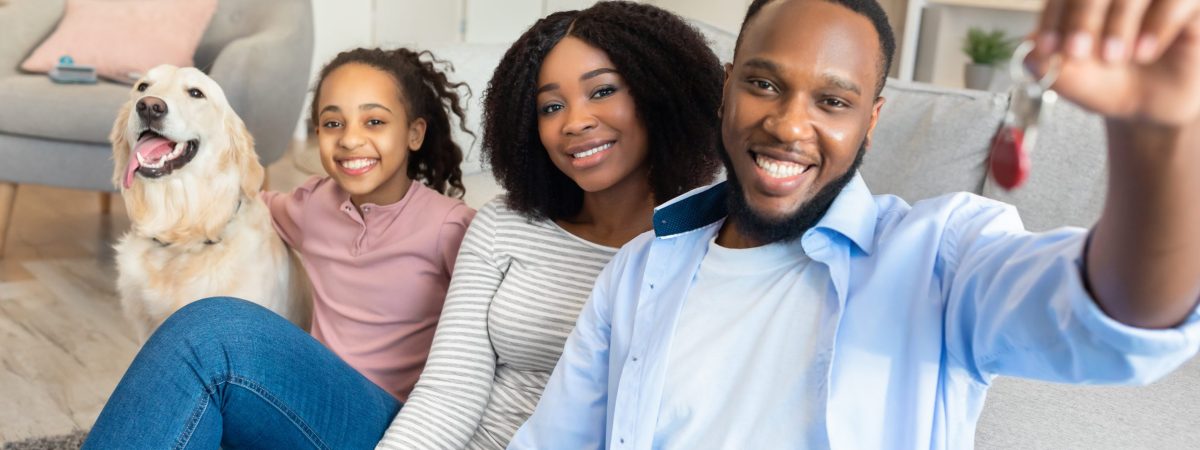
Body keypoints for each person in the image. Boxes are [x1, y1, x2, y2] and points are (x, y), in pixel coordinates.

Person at [510, 0, 1200, 448]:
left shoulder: (942, 257)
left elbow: (1118, 321)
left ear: (871, 120)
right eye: (764, 84)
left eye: (833, 100)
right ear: (726, 87)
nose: (787, 125)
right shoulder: (639, 270)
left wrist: (1162, 138)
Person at [83, 47, 476, 448]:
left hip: (396, 424)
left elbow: (480, 359)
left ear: (414, 133)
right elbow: (247, 206)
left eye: (374, 121)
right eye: (333, 122)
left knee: (211, 333)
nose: (351, 139)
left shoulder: (451, 227)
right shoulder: (316, 204)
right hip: (305, 397)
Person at [377, 2, 723, 449]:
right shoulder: (504, 224)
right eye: (552, 106)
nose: (575, 122)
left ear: (656, 92)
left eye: (602, 92)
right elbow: (448, 394)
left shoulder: (708, 243)